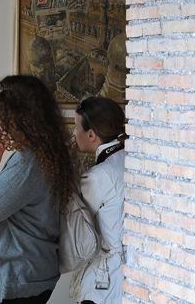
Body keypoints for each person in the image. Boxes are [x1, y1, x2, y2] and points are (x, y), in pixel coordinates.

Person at [0, 75, 76, 304]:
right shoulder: (51, 152)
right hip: (35, 274)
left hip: (17, 279)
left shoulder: (28, 163)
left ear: (13, 114)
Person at [70, 96, 126, 304]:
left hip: (106, 282)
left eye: (76, 127)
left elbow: (73, 223)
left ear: (91, 134)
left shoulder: (98, 176)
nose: (74, 133)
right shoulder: (130, 158)